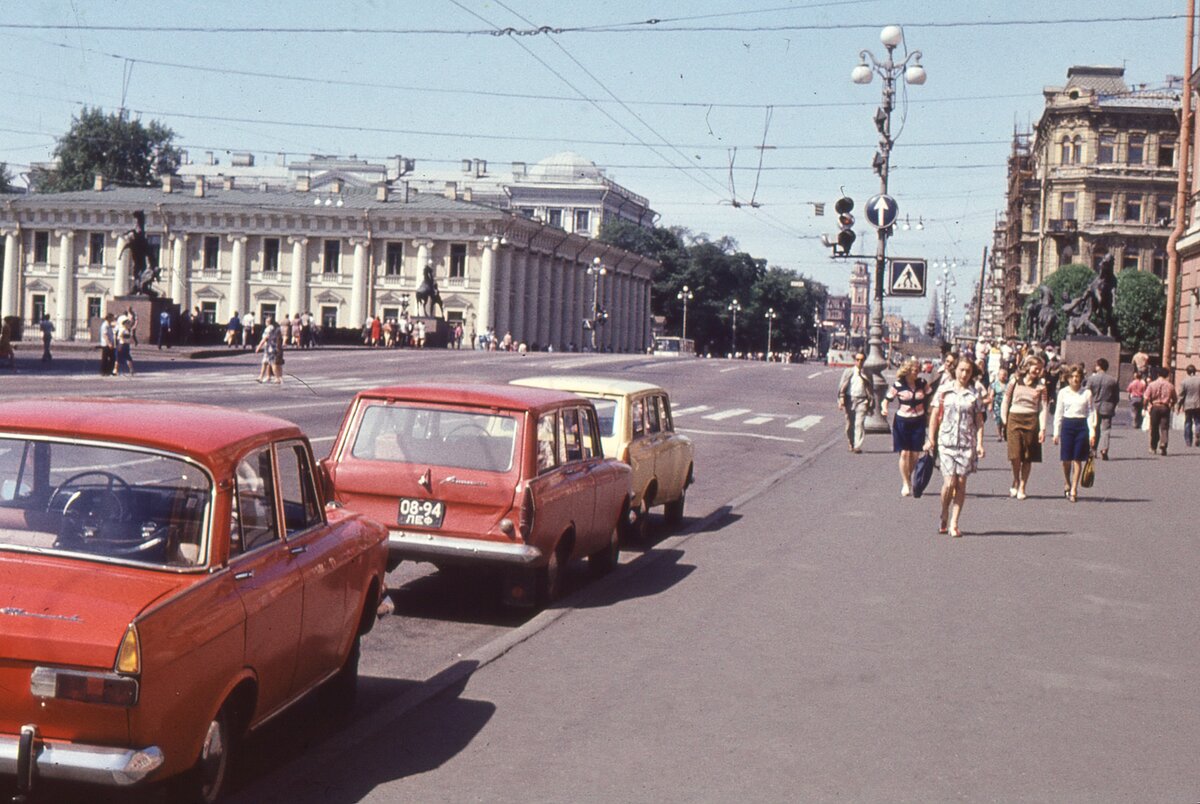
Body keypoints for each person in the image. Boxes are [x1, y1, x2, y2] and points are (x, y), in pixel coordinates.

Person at [925, 356, 987, 537]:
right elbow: (934, 415)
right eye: (961, 370)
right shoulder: (944, 390)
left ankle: (954, 522)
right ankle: (944, 512)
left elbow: (979, 421)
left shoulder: (974, 394)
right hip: (946, 442)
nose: (964, 374)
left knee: (960, 483)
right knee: (949, 483)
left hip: (967, 443)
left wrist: (980, 444)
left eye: (968, 371)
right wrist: (931, 439)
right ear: (955, 370)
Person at [1001, 354, 1048, 500]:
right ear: (1028, 366)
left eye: (1040, 369)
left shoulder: (1041, 386)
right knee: (1015, 455)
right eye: (1036, 368)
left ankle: (1022, 485)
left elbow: (1043, 407)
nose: (1038, 371)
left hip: (1031, 419)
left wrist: (1043, 428)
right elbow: (1006, 400)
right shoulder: (1015, 381)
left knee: (1028, 456)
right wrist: (1004, 419)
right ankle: (1016, 479)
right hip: (1014, 418)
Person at [882, 358, 930, 496]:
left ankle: (908, 476)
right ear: (907, 371)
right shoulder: (898, 385)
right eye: (914, 370)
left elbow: (931, 397)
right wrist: (884, 409)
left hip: (918, 421)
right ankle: (905, 482)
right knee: (904, 453)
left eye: (918, 370)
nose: (917, 372)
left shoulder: (922, 383)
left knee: (915, 453)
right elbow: (886, 400)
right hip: (902, 422)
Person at [1053, 364, 1097, 502]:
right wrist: (1056, 432)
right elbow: (1058, 413)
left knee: (1077, 459)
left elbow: (1091, 412)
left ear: (1081, 378)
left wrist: (1092, 431)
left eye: (1077, 376)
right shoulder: (1063, 393)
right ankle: (1067, 482)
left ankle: (1074, 488)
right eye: (1072, 377)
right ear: (1068, 379)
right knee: (1066, 460)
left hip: (1081, 425)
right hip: (1067, 425)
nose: (1075, 379)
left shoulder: (1086, 393)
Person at [836, 352, 875, 454]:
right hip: (850, 399)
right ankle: (851, 443)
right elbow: (841, 387)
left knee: (859, 423)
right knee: (849, 424)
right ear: (855, 361)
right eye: (857, 360)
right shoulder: (848, 372)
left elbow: (871, 389)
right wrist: (841, 400)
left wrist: (871, 403)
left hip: (862, 400)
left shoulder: (867, 373)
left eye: (862, 360)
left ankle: (857, 446)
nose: (859, 362)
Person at [1085, 358, 1120, 460]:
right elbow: (1116, 396)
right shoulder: (1112, 380)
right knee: (1106, 429)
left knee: (1093, 428)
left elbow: (1087, 393)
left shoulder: (1091, 379)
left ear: (1098, 366)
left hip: (1094, 406)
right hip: (1107, 406)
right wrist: (1113, 405)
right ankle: (1104, 449)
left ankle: (1092, 449)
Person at [1143, 367, 1177, 455]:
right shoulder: (1170, 385)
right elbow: (1175, 399)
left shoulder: (1152, 385)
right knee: (1164, 427)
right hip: (1165, 407)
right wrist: (1171, 404)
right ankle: (1163, 443)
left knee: (1154, 427)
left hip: (1155, 407)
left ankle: (1153, 447)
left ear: (1158, 374)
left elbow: (1146, 398)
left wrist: (1144, 408)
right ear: (1167, 375)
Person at [255, 316, 284, 384]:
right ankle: (264, 377)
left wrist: (259, 346)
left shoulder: (269, 328)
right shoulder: (275, 328)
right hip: (272, 347)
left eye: (266, 321)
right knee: (267, 363)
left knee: (272, 363)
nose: (265, 322)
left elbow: (265, 338)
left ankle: (276, 378)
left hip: (269, 348)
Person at [1177, 365, 1200, 447]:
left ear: (1187, 372)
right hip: (1198, 404)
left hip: (1188, 405)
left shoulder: (1184, 382)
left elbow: (1181, 395)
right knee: (1198, 421)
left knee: (1188, 422)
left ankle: (1188, 441)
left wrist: (1178, 407)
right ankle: (1198, 432)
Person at [989, 366, 1009, 442]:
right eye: (1000, 375)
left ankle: (1005, 431)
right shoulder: (994, 385)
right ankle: (999, 434)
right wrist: (990, 405)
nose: (1002, 376)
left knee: (1006, 418)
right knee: (998, 419)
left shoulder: (1009, 384)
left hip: (1007, 403)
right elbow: (991, 395)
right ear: (998, 375)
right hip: (997, 403)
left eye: (1004, 375)